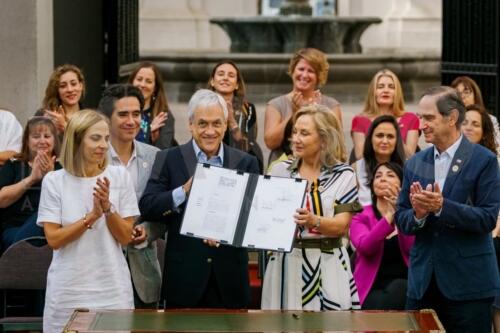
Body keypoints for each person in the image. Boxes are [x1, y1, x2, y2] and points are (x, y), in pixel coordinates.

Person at [139, 89, 259, 309]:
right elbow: (148, 206)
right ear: (190, 124)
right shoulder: (168, 158)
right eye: (203, 124)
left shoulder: (246, 162)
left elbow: (254, 215)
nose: (210, 131)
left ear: (225, 125)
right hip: (184, 280)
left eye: (217, 123)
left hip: (230, 280)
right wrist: (182, 191)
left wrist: (227, 232)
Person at [395, 86, 500, 332]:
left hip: (468, 287)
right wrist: (418, 215)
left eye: (428, 117)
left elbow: (487, 218)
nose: (421, 125)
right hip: (423, 286)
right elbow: (402, 218)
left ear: (451, 118)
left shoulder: (483, 160)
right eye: (420, 117)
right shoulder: (415, 163)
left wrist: (442, 207)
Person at [37, 110, 139, 332]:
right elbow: (54, 239)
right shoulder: (54, 181)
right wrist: (91, 217)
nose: (103, 145)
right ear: (77, 139)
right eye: (95, 138)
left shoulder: (120, 176)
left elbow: (125, 236)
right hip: (67, 292)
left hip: (112, 291)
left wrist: (108, 209)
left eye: (105, 138)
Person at [261, 104, 361, 311]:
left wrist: (313, 220)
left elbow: (342, 226)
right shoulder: (279, 170)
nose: (295, 138)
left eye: (304, 133)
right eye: (295, 132)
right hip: (285, 264)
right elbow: (263, 216)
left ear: (324, 139)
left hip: (327, 262)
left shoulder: (344, 175)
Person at [97, 83, 164, 308]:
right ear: (106, 118)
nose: (131, 121)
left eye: (136, 114)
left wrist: (148, 231)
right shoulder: (93, 157)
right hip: (100, 267)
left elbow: (165, 212)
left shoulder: (155, 157)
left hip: (142, 272)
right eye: (123, 114)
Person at [350, 162, 414, 309]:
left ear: (402, 184)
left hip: (406, 287)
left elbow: (413, 249)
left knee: (400, 288)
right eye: (378, 176)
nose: (383, 179)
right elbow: (366, 247)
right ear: (372, 185)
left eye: (390, 175)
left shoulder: (411, 215)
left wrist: (401, 214)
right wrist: (390, 215)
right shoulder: (360, 216)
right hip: (370, 290)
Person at [264, 48, 343, 164]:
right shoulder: (275, 104)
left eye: (311, 71)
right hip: (283, 170)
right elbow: (270, 142)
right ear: (293, 71)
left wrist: (316, 114)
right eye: (301, 69)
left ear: (319, 76)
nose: (304, 75)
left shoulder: (331, 106)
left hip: (320, 169)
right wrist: (295, 113)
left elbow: (336, 145)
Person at [461, 104, 500, 332]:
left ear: (484, 132)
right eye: (464, 122)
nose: (468, 127)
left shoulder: (490, 162)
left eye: (475, 124)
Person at [0, 117, 60, 250]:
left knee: (44, 215)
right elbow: (1, 200)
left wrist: (50, 178)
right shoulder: (14, 164)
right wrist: (31, 179)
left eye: (47, 136)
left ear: (54, 140)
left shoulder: (62, 168)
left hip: (51, 232)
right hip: (14, 230)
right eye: (36, 136)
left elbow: (67, 205)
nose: (42, 141)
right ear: (27, 141)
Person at [351, 69, 420, 161]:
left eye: (391, 87)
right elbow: (360, 157)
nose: (386, 90)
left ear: (397, 92)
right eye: (380, 87)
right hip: (371, 171)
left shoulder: (411, 118)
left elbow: (410, 156)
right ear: (373, 92)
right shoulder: (359, 120)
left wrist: (394, 130)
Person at [208, 61, 264, 172]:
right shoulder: (202, 106)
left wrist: (232, 121)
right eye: (220, 74)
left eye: (231, 75)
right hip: (209, 161)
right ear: (212, 81)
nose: (225, 78)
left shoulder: (248, 108)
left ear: (237, 84)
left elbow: (249, 144)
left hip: (240, 163)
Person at [353, 115, 406, 206]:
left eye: (390, 136)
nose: (385, 141)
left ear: (397, 141)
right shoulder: (356, 168)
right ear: (370, 139)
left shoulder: (409, 167)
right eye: (379, 135)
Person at [128, 62, 176, 149]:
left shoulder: (163, 116)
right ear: (132, 82)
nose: (142, 85)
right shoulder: (121, 111)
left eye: (148, 81)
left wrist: (152, 138)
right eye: (139, 79)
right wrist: (149, 131)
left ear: (155, 88)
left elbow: (162, 153)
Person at [451, 75, 500, 154]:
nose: (462, 97)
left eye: (466, 92)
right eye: (457, 93)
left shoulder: (490, 120)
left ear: (475, 96)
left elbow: (497, 148)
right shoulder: (447, 120)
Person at [41, 64, 85, 134]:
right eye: (63, 86)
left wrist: (65, 127)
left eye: (73, 84)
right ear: (56, 90)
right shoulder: (44, 115)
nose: (69, 90)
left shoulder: (90, 117)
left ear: (80, 86)